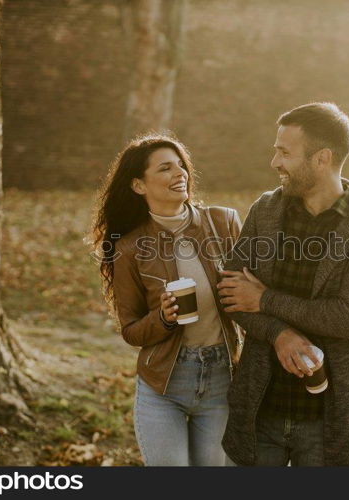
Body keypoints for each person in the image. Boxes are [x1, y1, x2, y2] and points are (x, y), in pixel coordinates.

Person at [217, 102, 349, 466]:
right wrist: (281, 334)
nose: (275, 162)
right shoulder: (265, 211)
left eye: (284, 152)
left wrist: (265, 299)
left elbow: (346, 319)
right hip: (260, 409)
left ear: (322, 158)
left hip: (326, 420)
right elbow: (231, 294)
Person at [92, 134, 243, 466]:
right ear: (138, 185)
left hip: (221, 380)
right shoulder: (129, 248)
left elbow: (253, 295)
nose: (180, 174)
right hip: (163, 386)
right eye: (165, 168)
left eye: (181, 166)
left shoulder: (223, 223)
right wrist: (162, 318)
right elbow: (131, 330)